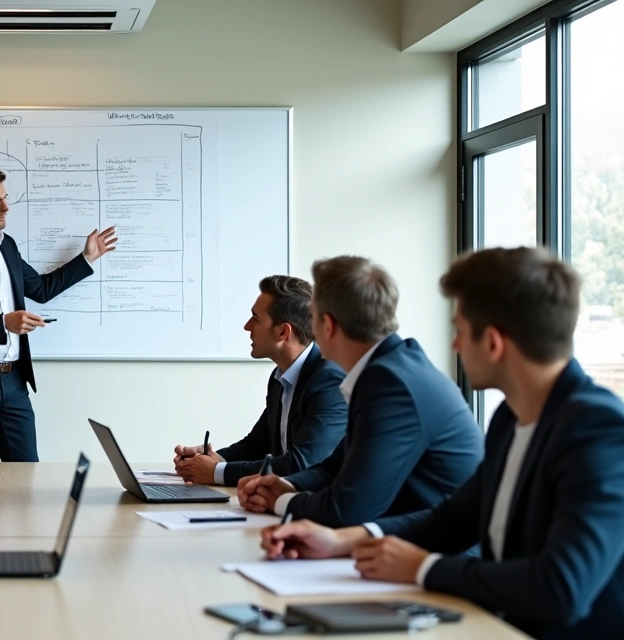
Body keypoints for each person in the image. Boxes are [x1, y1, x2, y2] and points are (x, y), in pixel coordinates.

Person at [262, 247, 624, 639]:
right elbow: (454, 517)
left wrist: (423, 567)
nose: (454, 346)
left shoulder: (598, 430)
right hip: (494, 619)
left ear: (494, 343)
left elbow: (562, 588)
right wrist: (341, 541)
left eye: (460, 331)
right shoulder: (511, 416)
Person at [238, 256, 483, 527]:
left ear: (327, 326)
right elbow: (335, 466)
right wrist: (280, 484)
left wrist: (279, 501)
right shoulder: (389, 368)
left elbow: (347, 509)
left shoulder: (390, 384)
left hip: (431, 552)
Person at [0, 163, 118, 462]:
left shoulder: (7, 247)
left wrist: (86, 258)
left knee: (27, 474)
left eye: (5, 197)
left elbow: (40, 288)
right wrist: (3, 323)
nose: (6, 207)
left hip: (14, 383)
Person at [173, 276, 347, 486]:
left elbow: (303, 463)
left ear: (283, 331)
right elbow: (257, 444)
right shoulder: (280, 377)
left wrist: (218, 472)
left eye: (255, 318)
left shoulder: (329, 379)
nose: (247, 327)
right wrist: (212, 459)